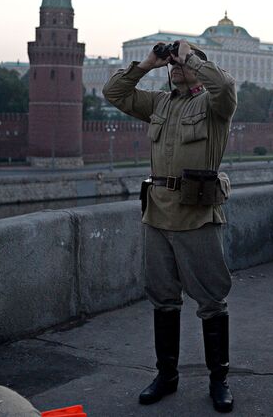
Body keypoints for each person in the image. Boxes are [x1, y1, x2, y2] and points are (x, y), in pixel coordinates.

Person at [103, 39, 237, 413]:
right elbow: (113, 91)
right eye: (173, 63)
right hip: (157, 214)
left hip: (196, 214)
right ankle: (167, 375)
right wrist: (148, 62)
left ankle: (218, 378)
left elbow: (225, 86)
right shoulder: (160, 104)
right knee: (163, 299)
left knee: (211, 301)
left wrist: (190, 57)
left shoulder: (213, 105)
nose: (175, 65)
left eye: (182, 61)